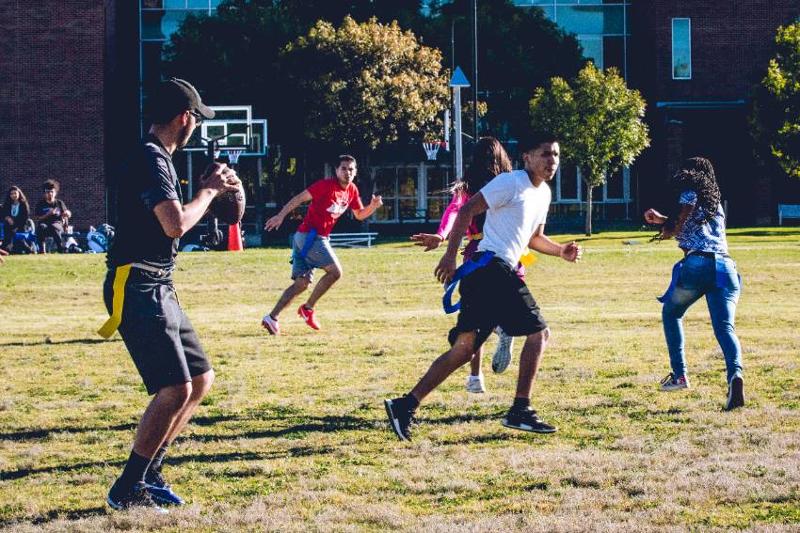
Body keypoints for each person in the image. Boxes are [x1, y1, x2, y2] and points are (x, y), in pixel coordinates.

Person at [99, 78, 241, 511]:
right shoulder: (150, 158)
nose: (196, 125)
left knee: (200, 379)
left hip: (159, 284)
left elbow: (180, 223)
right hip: (137, 284)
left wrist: (222, 194)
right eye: (196, 117)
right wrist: (209, 192)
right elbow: (174, 224)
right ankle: (127, 487)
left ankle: (151, 471)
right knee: (175, 387)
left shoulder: (160, 159)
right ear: (184, 117)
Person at [385, 131, 582, 441]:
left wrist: (560, 251)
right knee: (539, 333)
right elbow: (466, 210)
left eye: (556, 154)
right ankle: (520, 410)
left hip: (489, 273)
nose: (552, 160)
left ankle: (404, 405)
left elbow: (533, 238)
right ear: (527, 157)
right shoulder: (510, 182)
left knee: (464, 349)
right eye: (545, 154)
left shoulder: (543, 193)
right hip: (491, 267)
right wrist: (450, 256)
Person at [411, 137, 520, 394]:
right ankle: (499, 331)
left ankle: (476, 373)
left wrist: (441, 236)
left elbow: (454, 211)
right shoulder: (509, 185)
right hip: (511, 253)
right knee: (497, 306)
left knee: (472, 316)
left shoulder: (467, 188)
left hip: (476, 253)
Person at [644, 156, 745, 411]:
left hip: (698, 264)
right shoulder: (715, 204)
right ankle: (735, 375)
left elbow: (681, 224)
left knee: (671, 313)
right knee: (725, 328)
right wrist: (662, 220)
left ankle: (679, 375)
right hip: (726, 268)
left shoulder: (689, 193)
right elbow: (691, 223)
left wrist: (666, 230)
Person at [261, 155, 383, 334]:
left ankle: (272, 318)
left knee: (302, 283)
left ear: (355, 171)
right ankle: (307, 309)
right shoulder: (325, 186)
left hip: (309, 238)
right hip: (310, 237)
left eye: (351, 169)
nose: (347, 172)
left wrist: (373, 206)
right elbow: (299, 199)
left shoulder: (352, 190)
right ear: (336, 170)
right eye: (343, 168)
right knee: (335, 272)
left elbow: (359, 215)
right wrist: (280, 216)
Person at [34, 180, 71, 253]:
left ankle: (60, 249)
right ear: (45, 193)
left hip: (57, 224)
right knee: (41, 227)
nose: (50, 194)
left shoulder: (59, 203)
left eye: (52, 192)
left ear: (55, 193)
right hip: (45, 224)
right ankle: (42, 250)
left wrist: (68, 213)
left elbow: (67, 213)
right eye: (48, 192)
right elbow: (37, 218)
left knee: (53, 226)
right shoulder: (40, 204)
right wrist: (48, 214)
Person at [1, 186, 30, 252]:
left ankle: (28, 249)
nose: (13, 195)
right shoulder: (7, 204)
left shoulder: (23, 204)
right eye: (11, 194)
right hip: (9, 228)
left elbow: (25, 218)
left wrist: (17, 227)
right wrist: (7, 217)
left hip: (21, 226)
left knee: (18, 244)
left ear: (19, 193)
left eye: (15, 193)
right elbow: (3, 214)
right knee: (7, 242)